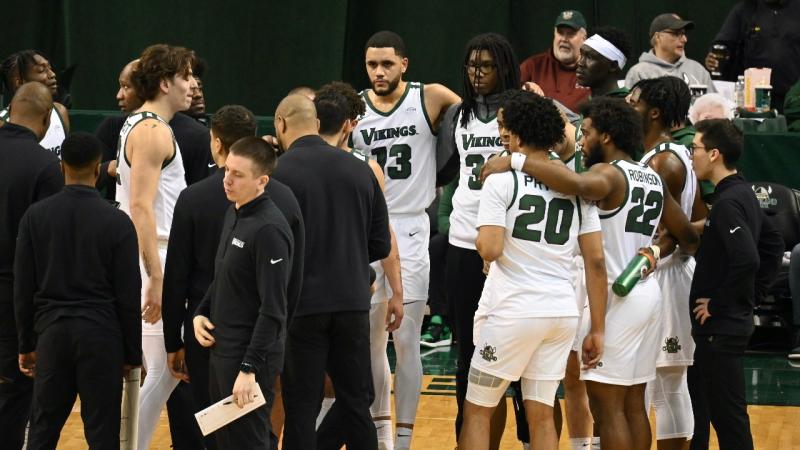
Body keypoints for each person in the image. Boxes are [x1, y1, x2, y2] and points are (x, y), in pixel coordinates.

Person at [480, 97, 699, 450]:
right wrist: (656, 251)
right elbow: (687, 235)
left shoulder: (608, 173)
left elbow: (575, 185)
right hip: (646, 293)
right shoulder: (653, 178)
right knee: (632, 404)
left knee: (607, 407)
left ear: (607, 137)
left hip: (615, 295)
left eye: (588, 132)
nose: (581, 140)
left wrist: (516, 160)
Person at [458, 90, 608, 450]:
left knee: (478, 408)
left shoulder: (501, 178)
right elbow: (596, 260)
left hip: (514, 309)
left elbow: (491, 249)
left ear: (520, 134)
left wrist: (482, 243)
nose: (501, 136)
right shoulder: (575, 188)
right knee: (541, 412)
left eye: (506, 129)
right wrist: (598, 328)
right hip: (560, 311)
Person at [351, 30, 460, 449]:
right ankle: (381, 437)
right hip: (367, 228)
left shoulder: (427, 96)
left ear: (404, 64)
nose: (379, 72)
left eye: (386, 64)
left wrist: (444, 172)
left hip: (412, 227)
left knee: (407, 339)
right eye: (371, 65)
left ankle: (405, 438)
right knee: (373, 339)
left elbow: (470, 113)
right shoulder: (355, 107)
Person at [272, 94, 391, 450]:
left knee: (301, 408)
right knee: (357, 403)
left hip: (301, 305)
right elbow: (380, 245)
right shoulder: (361, 169)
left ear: (281, 125)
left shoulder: (278, 172)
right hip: (352, 302)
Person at [13, 132, 141, 448]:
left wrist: (26, 342)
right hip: (102, 337)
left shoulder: (35, 217)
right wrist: (131, 352)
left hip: (52, 334)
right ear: (98, 169)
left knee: (42, 429)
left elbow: (23, 285)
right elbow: (128, 293)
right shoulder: (118, 222)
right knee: (102, 433)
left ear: (61, 167)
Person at [434, 32, 521, 445]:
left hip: (511, 245)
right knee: (467, 353)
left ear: (503, 67)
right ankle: (465, 439)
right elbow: (440, 171)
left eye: (486, 65)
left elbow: (564, 143)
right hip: (465, 242)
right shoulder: (456, 115)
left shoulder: (522, 109)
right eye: (471, 65)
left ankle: (524, 436)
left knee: (517, 356)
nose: (477, 73)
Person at [314, 82, 405, 449]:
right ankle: (379, 437)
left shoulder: (290, 160)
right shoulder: (366, 167)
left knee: (315, 379)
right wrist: (398, 289)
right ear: (351, 123)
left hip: (307, 286)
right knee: (362, 376)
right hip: (355, 285)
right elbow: (384, 238)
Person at [116, 43, 196, 450]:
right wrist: (157, 276)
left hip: (156, 252)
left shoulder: (143, 124)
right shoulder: (151, 130)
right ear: (165, 83)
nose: (193, 85)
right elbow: (140, 208)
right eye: (186, 76)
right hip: (155, 253)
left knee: (166, 369)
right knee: (166, 368)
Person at [687, 119, 783, 450]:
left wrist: (721, 303)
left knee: (728, 420)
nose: (691, 155)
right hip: (725, 326)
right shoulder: (742, 193)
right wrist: (752, 296)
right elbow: (773, 245)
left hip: (720, 328)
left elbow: (748, 258)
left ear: (714, 154)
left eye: (695, 148)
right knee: (704, 410)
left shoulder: (728, 203)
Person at [192, 136, 292, 448]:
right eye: (227, 171)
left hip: (248, 360)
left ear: (262, 180)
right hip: (222, 351)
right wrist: (200, 312)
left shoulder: (269, 230)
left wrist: (249, 368)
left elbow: (274, 309)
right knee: (226, 441)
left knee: (249, 442)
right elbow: (224, 275)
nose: (227, 179)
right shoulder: (235, 212)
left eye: (238, 175)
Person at [629, 76, 703, 450]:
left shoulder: (663, 162)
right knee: (653, 386)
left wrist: (655, 253)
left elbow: (682, 233)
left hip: (665, 276)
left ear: (654, 112)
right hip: (662, 274)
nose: (628, 105)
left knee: (666, 387)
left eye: (635, 100)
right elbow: (700, 216)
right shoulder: (669, 154)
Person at [0, 81, 63, 450]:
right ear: (45, 119)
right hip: (14, 296)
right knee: (12, 393)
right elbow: (47, 247)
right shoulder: (45, 166)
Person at [704, 0, 800, 110]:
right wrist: (714, 57)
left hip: (794, 100)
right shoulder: (746, 9)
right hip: (752, 99)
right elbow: (723, 44)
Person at [0, 50, 70, 157]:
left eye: (50, 68)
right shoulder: (2, 124)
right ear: (19, 82)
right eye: (41, 70)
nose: (52, 74)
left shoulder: (60, 112)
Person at [519, 10, 590, 112]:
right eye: (560, 33)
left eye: (570, 34)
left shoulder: (591, 69)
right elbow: (508, 95)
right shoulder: (533, 66)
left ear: (584, 38)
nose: (564, 39)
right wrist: (524, 87)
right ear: (554, 34)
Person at [625, 14, 716, 93]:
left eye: (684, 33)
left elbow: (716, 106)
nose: (684, 39)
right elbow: (631, 110)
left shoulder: (698, 70)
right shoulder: (639, 72)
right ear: (658, 37)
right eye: (676, 33)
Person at [576, 27, 633, 98]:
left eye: (590, 57)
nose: (580, 63)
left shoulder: (626, 105)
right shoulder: (590, 102)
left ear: (613, 66)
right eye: (581, 55)